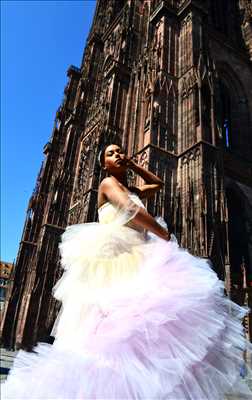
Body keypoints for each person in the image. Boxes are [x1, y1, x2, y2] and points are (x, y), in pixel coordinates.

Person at [2, 143, 252, 399]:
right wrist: (162, 232)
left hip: (138, 251)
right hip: (117, 256)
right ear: (103, 164)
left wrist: (134, 165)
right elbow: (131, 210)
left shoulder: (130, 188)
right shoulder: (108, 184)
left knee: (143, 324)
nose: (118, 155)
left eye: (120, 151)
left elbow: (156, 184)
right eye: (110, 154)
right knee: (114, 324)